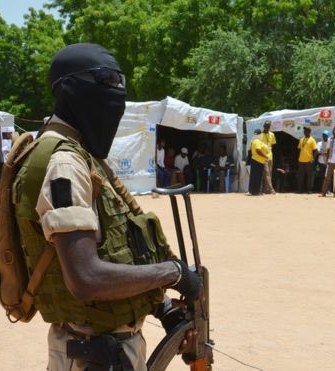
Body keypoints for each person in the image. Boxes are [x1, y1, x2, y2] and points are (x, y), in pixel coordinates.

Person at [12, 43, 202, 371]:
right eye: (104, 93)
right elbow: (86, 277)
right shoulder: (65, 164)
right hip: (95, 356)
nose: (112, 107)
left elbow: (116, 252)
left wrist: (163, 308)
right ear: (70, 93)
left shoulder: (79, 155)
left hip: (106, 348)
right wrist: (173, 273)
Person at [296, 127, 317, 193]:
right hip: (301, 160)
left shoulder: (312, 140)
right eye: (304, 131)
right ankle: (300, 189)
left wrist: (313, 158)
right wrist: (298, 158)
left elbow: (316, 151)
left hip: (309, 161)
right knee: (300, 176)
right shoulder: (301, 139)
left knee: (309, 176)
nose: (304, 132)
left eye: (306, 130)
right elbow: (299, 149)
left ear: (309, 131)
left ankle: (309, 190)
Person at [249, 129, 268, 195]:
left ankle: (253, 191)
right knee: (257, 177)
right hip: (257, 161)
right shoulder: (257, 141)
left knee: (254, 177)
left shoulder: (255, 141)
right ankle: (256, 192)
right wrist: (265, 156)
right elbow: (258, 150)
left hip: (256, 161)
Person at [260, 120, 277, 195]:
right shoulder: (260, 135)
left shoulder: (272, 135)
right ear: (263, 126)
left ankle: (265, 190)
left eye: (268, 126)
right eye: (266, 126)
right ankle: (271, 189)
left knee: (269, 174)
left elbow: (272, 145)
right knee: (266, 173)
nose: (267, 128)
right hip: (263, 156)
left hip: (270, 156)